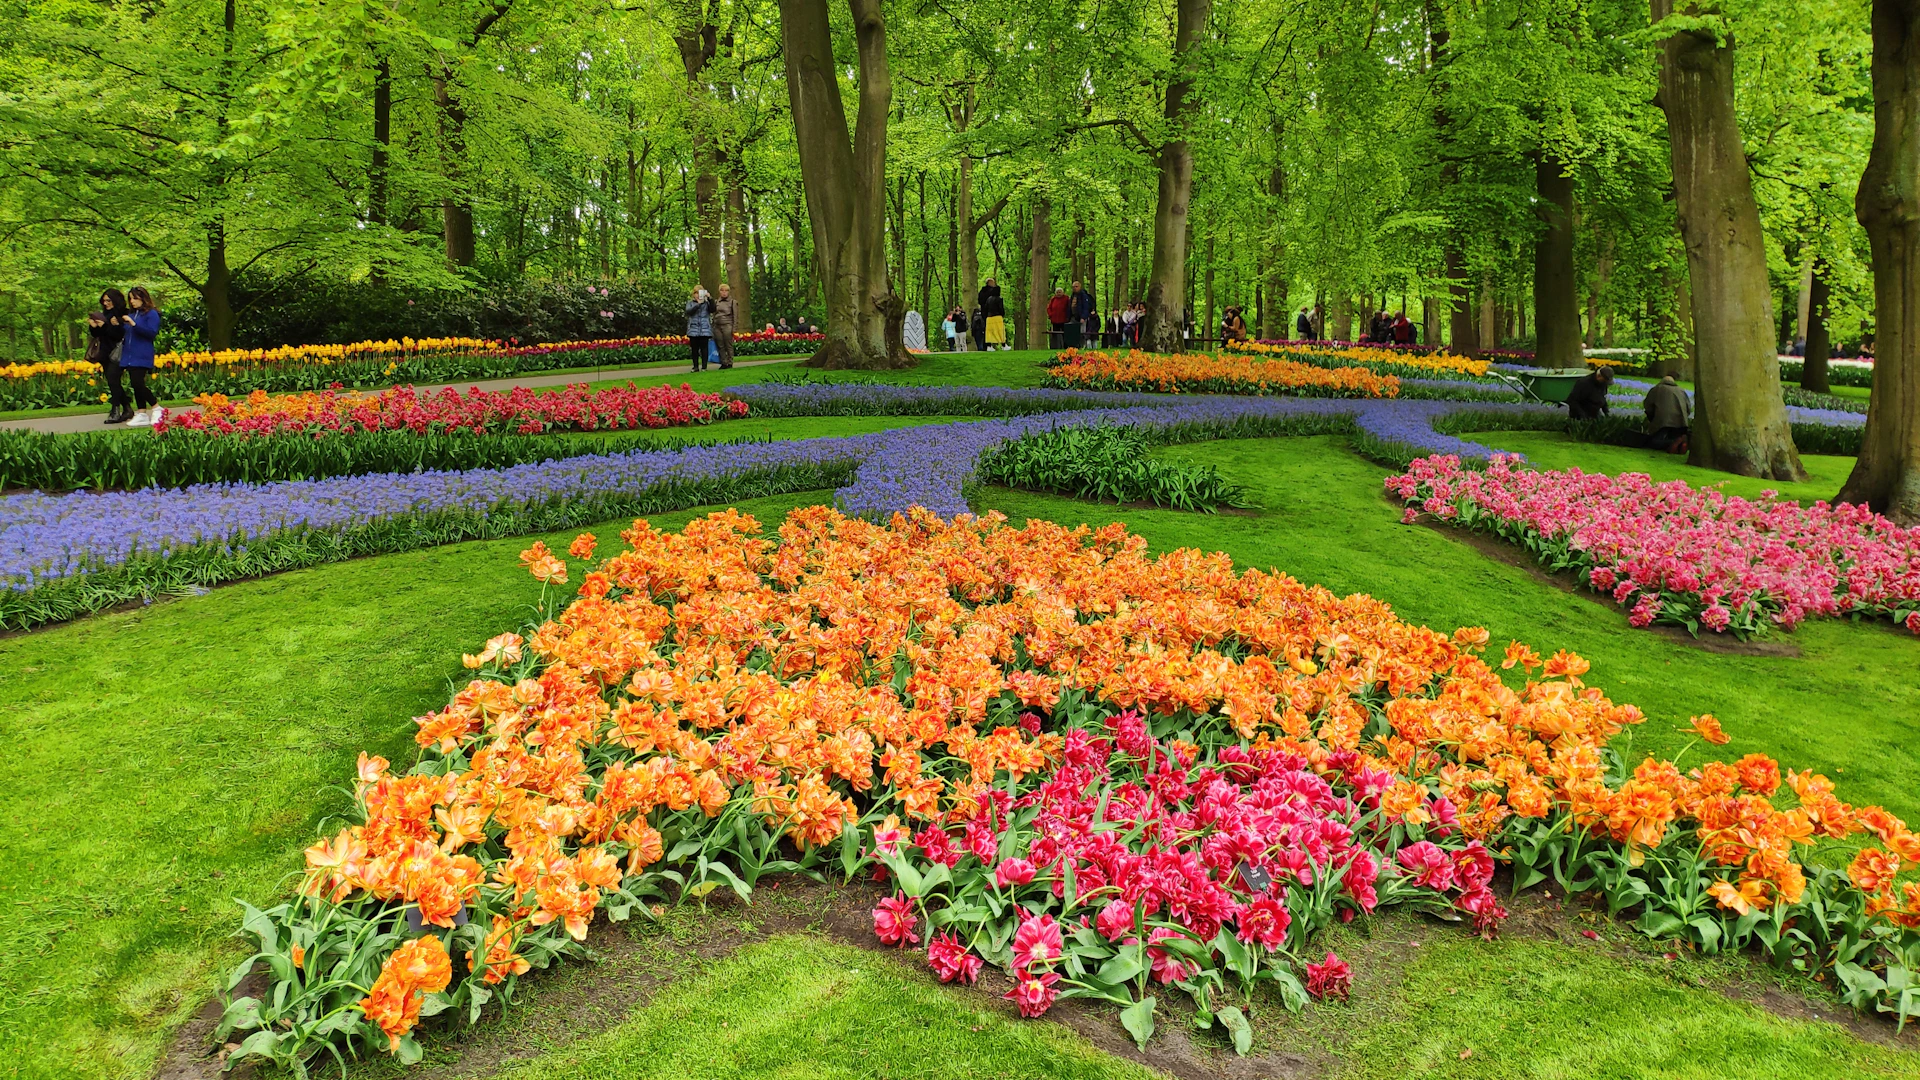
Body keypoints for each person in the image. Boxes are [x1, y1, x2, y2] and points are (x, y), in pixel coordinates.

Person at [120, 286, 163, 426]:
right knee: (135, 384)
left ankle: (156, 407)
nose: (132, 302)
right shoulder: (132, 314)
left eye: (135, 298)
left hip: (142, 354)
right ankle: (142, 412)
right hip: (129, 355)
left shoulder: (151, 314)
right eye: (130, 299)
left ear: (143, 298)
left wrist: (134, 324)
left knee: (138, 382)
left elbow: (151, 333)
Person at [89, 288, 132, 424]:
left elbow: (119, 335)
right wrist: (94, 326)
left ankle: (115, 409)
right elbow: (99, 335)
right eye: (104, 300)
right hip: (105, 352)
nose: (106, 303)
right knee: (112, 381)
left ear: (115, 300)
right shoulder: (105, 314)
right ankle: (127, 408)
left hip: (119, 352)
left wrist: (107, 326)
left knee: (113, 379)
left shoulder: (123, 314)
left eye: (108, 300)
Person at [1643, 375, 1692, 453]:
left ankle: (1674, 442)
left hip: (1664, 422)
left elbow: (1647, 406)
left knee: (1654, 442)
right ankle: (1680, 443)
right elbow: (1688, 409)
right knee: (1673, 436)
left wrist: (1652, 418)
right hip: (1681, 423)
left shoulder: (1656, 389)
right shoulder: (1681, 391)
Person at [686, 286, 714, 372]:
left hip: (704, 329)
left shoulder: (706, 303)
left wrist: (710, 299)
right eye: (696, 293)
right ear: (693, 294)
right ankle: (695, 367)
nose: (698, 295)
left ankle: (704, 367)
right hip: (693, 329)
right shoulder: (690, 303)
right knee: (694, 349)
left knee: (704, 349)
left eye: (700, 293)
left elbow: (713, 309)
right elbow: (689, 311)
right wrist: (698, 304)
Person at [710, 283, 736, 369]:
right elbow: (713, 313)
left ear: (728, 292)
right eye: (722, 290)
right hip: (717, 325)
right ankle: (723, 362)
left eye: (726, 291)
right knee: (720, 344)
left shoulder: (732, 302)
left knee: (728, 344)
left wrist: (734, 328)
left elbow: (735, 316)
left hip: (727, 324)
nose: (724, 292)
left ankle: (730, 362)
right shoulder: (717, 301)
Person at [980, 278, 1007, 349]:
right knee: (1000, 331)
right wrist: (1002, 314)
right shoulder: (997, 298)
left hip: (988, 316)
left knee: (989, 332)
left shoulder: (987, 297)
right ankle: (1003, 345)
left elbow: (983, 305)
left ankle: (989, 346)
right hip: (996, 316)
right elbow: (1001, 308)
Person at [1068, 280, 1094, 348]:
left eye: (1076, 286)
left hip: (1081, 317)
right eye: (1073, 287)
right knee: (1073, 332)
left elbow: (1086, 307)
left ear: (1080, 286)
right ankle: (1074, 346)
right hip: (1073, 316)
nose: (1074, 288)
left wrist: (1083, 317)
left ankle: (1082, 345)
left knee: (1082, 332)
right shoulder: (1073, 296)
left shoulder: (1083, 295)